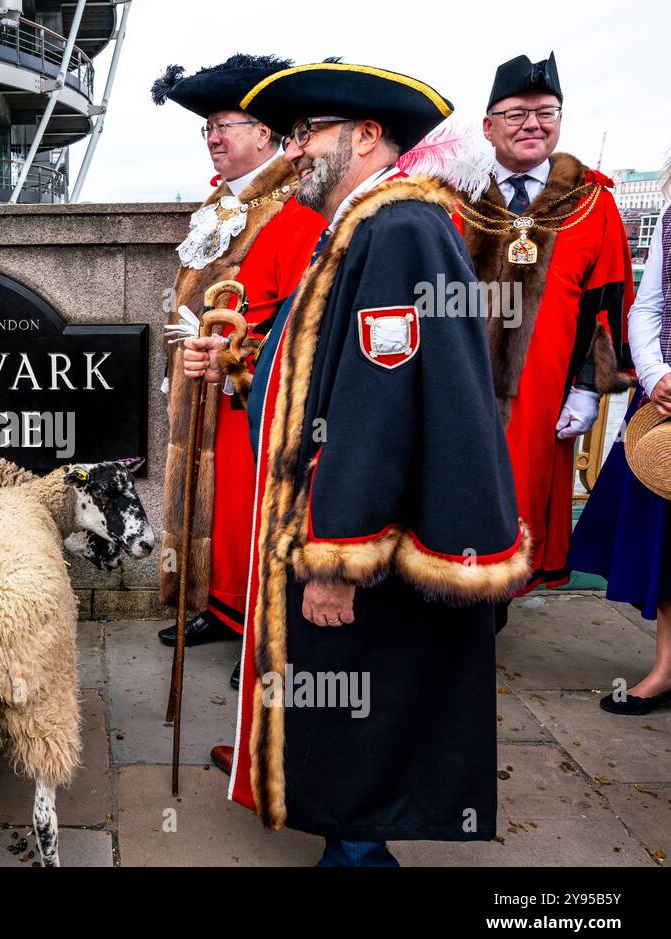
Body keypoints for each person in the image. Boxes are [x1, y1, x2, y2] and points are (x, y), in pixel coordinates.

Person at [185, 61, 530, 866]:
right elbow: (315, 367)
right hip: (339, 516)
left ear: (368, 137)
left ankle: (359, 854)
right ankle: (312, 794)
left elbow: (377, 413)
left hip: (354, 532)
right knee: (335, 699)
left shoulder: (396, 229)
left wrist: (337, 557)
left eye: (310, 133)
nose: (295, 150)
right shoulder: (365, 225)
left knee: (358, 700)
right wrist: (236, 359)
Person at [151, 55, 325, 706]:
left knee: (254, 510)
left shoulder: (295, 205)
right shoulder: (218, 201)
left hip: (252, 389)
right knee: (214, 508)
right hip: (203, 380)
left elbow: (296, 312)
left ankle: (262, 627)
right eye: (209, 129)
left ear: (266, 135)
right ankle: (221, 605)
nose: (215, 137)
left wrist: (235, 363)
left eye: (227, 125)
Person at [456, 53, 635, 607]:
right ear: (488, 126)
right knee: (453, 489)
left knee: (522, 497)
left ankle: (495, 606)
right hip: (457, 382)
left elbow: (609, 304)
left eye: (546, 112)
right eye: (516, 114)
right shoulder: (454, 194)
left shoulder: (592, 202)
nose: (533, 124)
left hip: (543, 393)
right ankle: (449, 595)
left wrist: (588, 387)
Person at [570, 161, 671, 716]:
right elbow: (648, 306)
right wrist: (655, 374)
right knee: (667, 541)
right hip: (665, 405)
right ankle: (666, 666)